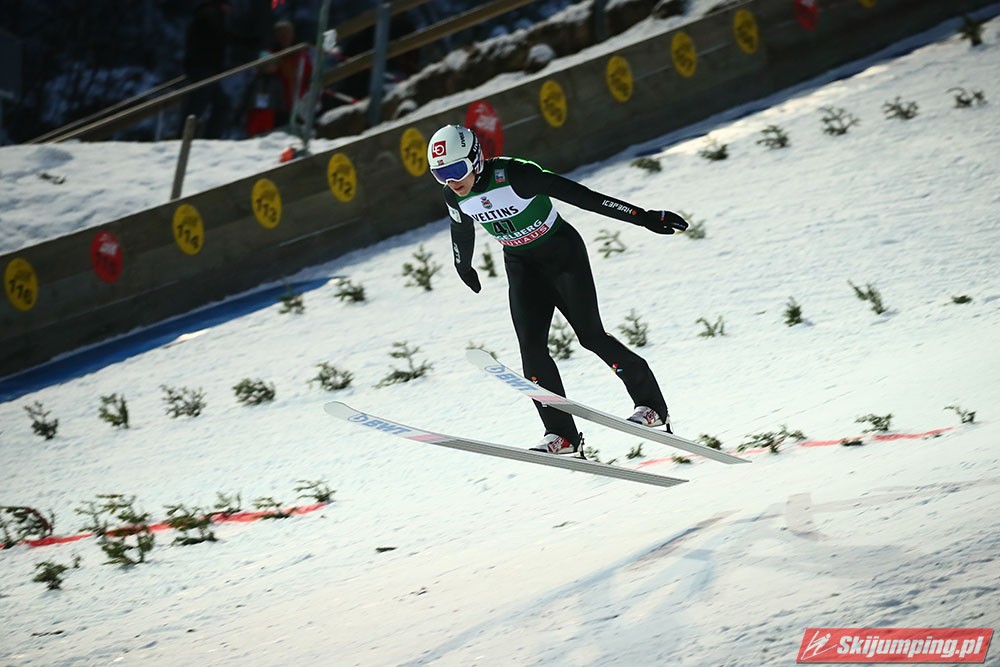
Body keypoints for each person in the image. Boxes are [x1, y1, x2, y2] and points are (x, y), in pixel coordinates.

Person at [427, 124, 688, 455]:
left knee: (591, 336)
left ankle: (652, 406)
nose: (451, 181)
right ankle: (561, 434)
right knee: (531, 350)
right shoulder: (454, 194)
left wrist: (643, 217)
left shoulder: (517, 175)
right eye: (441, 174)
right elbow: (461, 229)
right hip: (521, 266)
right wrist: (462, 265)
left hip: (562, 256)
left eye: (456, 170)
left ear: (476, 158)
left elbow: (584, 197)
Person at [179, 0, 232, 138]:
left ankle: (207, 137)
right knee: (198, 104)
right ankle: (185, 137)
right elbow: (217, 39)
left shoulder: (208, 14)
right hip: (203, 67)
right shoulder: (210, 15)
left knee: (218, 103)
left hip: (204, 67)